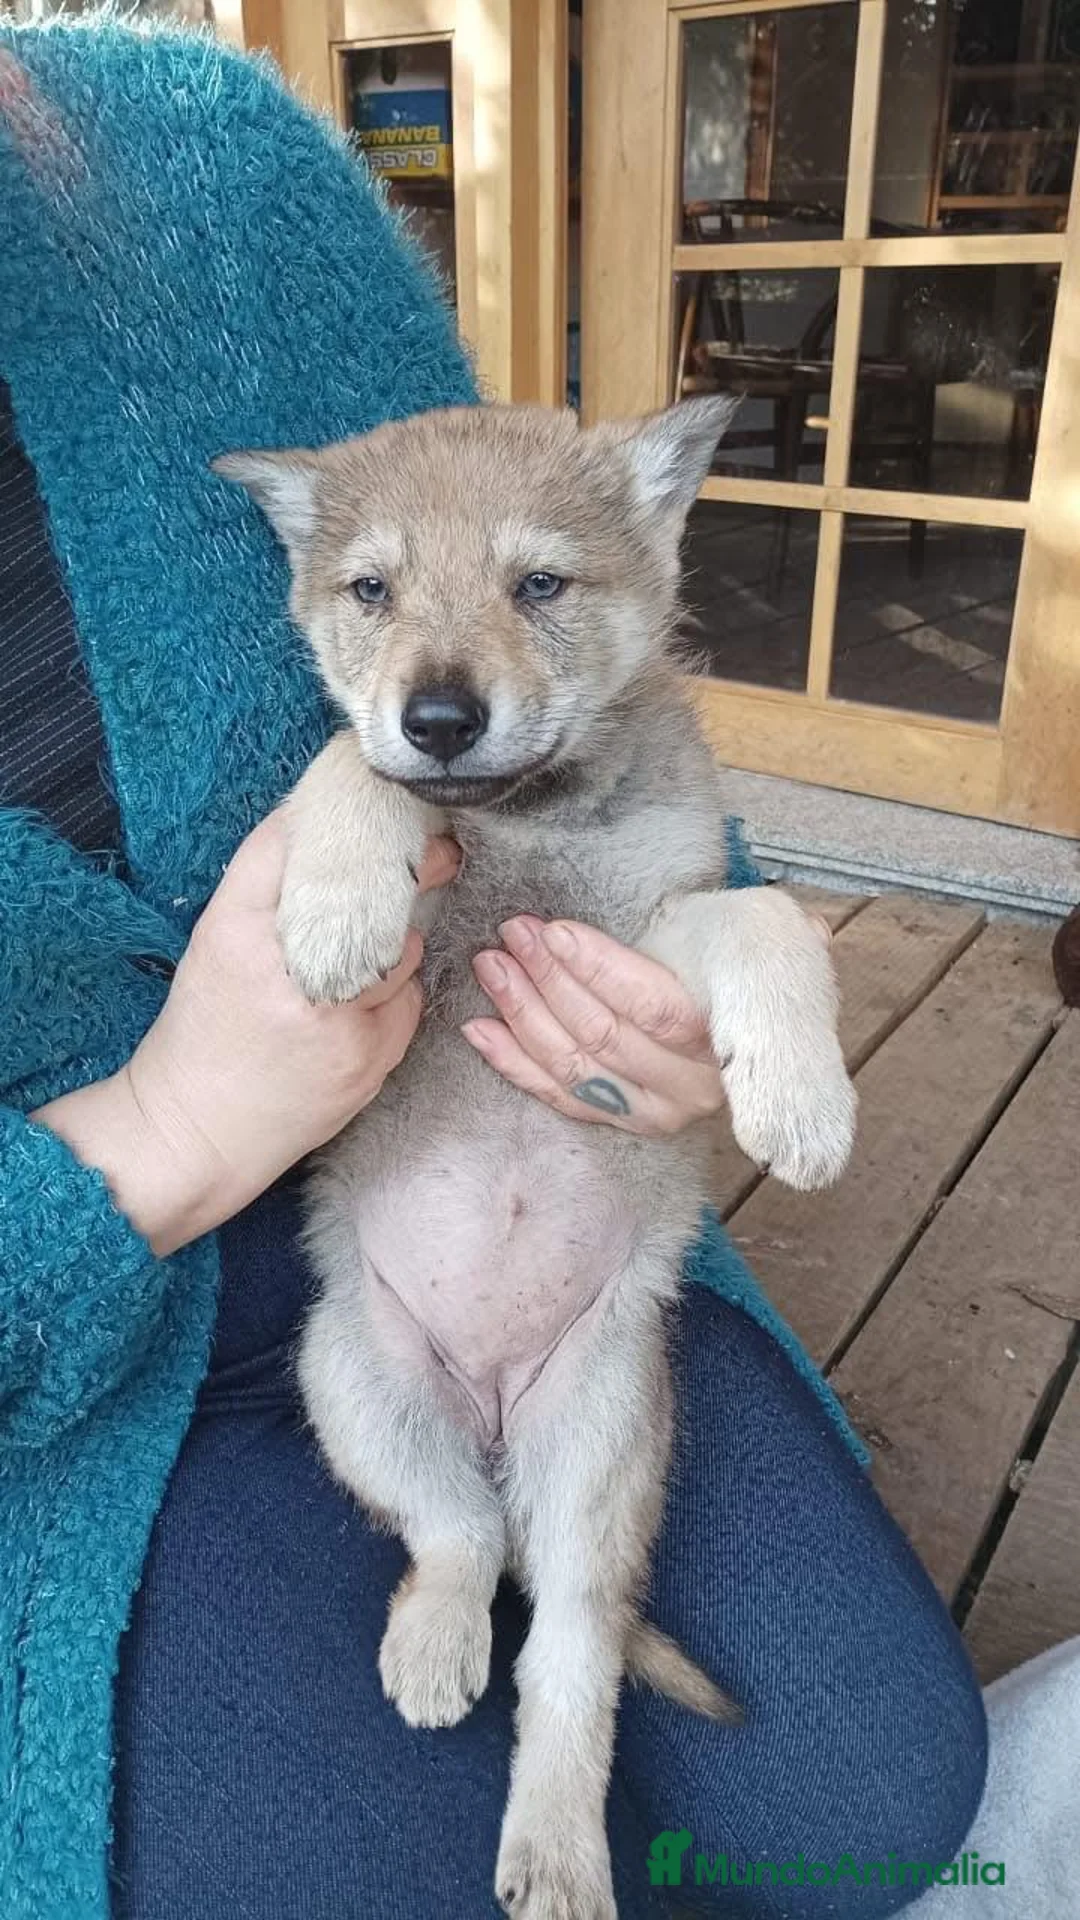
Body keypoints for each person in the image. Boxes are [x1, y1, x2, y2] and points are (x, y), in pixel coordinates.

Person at [0, 24, 986, 1920]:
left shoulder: (204, 166)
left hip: (559, 1254)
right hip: (111, 1359)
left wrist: (710, 1004)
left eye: (534, 588)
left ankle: (563, 1685)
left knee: (872, 1784)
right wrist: (165, 1128)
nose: (445, 661)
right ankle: (461, 1550)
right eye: (365, 598)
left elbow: (593, 733)